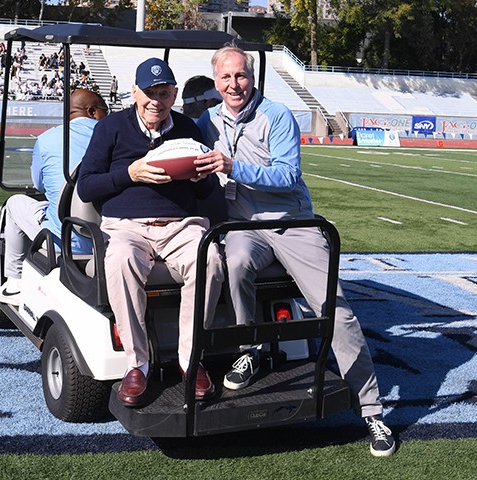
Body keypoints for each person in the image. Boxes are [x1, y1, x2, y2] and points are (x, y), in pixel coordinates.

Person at [196, 45, 396, 457]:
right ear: (215, 82)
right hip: (243, 228)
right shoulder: (206, 121)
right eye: (226, 78)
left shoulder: (277, 115)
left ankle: (373, 409)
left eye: (241, 76)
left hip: (291, 223)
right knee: (232, 262)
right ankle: (249, 350)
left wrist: (233, 166)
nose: (234, 85)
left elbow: (288, 176)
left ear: (252, 77)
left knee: (334, 308)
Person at [78, 58, 225, 407]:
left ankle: (191, 360)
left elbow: (209, 191)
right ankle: (138, 364)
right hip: (127, 227)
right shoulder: (111, 128)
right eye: (149, 93)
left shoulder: (189, 129)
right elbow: (87, 187)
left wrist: (201, 179)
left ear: (174, 95)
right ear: (135, 92)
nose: (155, 101)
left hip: (181, 225)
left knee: (212, 262)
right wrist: (132, 173)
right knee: (119, 261)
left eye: (163, 93)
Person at [0, 89, 109, 305]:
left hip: (63, 240)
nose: (108, 116)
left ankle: (15, 282)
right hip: (110, 239)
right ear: (92, 111)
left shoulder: (47, 139)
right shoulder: (117, 137)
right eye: (106, 110)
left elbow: (39, 184)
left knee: (14, 203)